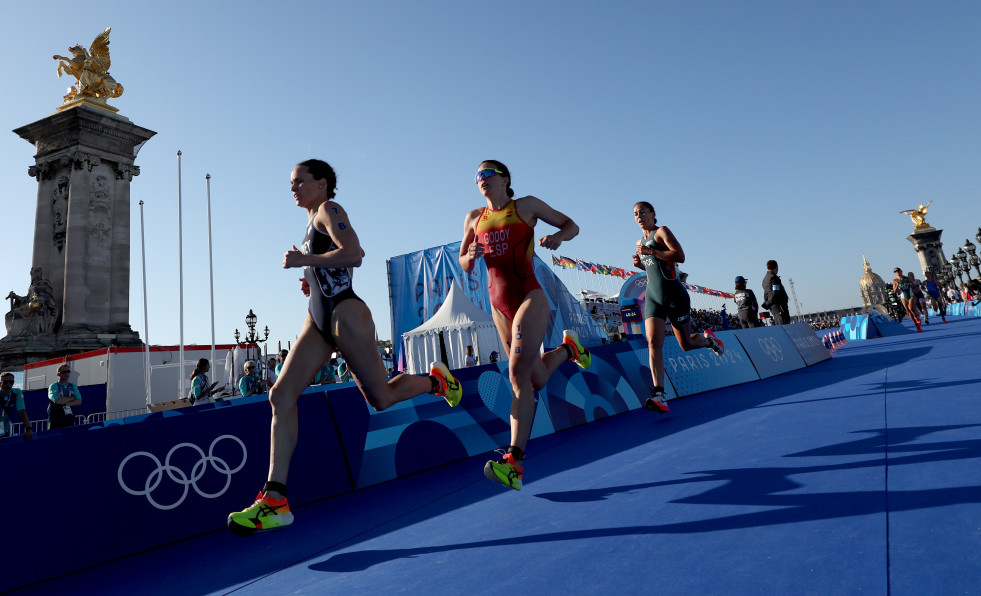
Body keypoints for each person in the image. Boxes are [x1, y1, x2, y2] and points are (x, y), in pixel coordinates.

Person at [228, 159, 462, 535]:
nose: (293, 188)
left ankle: (436, 381)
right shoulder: (309, 223)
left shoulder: (329, 209)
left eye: (299, 181)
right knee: (281, 394)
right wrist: (311, 276)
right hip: (317, 317)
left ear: (321, 184)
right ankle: (275, 499)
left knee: (381, 399)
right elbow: (334, 265)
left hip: (345, 314)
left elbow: (355, 253)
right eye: (291, 183)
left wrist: (306, 260)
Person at [459, 160, 591, 491]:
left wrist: (559, 237)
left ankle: (514, 462)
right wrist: (470, 256)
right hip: (498, 305)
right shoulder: (474, 218)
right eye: (477, 177)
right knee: (535, 379)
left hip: (529, 296)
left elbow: (572, 225)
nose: (481, 180)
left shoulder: (526, 206)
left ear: (504, 179)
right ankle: (568, 349)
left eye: (487, 174)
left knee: (517, 375)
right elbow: (464, 261)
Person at [631, 202, 724, 414]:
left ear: (653, 214)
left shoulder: (661, 232)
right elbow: (653, 267)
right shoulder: (639, 242)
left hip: (675, 296)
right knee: (653, 342)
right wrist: (641, 263)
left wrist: (651, 252)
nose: (639, 216)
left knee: (687, 345)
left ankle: (710, 341)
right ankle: (660, 395)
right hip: (654, 297)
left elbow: (679, 256)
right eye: (635, 214)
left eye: (643, 212)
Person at [47, 365, 82, 429]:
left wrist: (66, 403)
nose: (66, 374)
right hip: (55, 421)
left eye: (68, 371)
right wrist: (72, 398)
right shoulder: (53, 386)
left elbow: (79, 401)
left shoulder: (73, 386)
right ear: (58, 374)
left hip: (69, 419)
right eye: (63, 372)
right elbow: (58, 400)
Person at [1, 372, 32, 440]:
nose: (8, 385)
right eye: (5, 382)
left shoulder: (16, 393)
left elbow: (22, 412)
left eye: (11, 382)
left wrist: (28, 429)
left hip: (4, 430)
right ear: (0, 384)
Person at [892, 268, 922, 332]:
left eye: (898, 271)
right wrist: (897, 285)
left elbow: (913, 284)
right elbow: (895, 291)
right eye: (895, 271)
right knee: (909, 312)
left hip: (911, 295)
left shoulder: (907, 278)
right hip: (903, 297)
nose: (897, 272)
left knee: (910, 307)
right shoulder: (895, 280)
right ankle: (917, 326)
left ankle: (916, 317)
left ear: (901, 271)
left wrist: (914, 288)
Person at [761, 260, 791, 324]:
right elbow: (776, 291)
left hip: (772, 307)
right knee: (783, 323)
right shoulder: (774, 278)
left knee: (778, 323)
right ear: (776, 267)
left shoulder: (765, 279)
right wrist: (769, 302)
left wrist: (767, 303)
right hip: (779, 304)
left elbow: (766, 293)